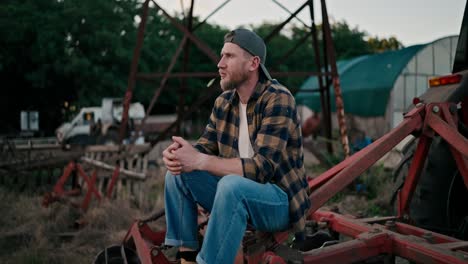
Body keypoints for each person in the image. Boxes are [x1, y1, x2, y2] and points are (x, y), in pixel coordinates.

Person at [162, 28, 310, 264]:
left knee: (232, 186)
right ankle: (186, 257)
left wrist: (200, 160)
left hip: (277, 202)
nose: (220, 64)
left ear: (253, 63)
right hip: (234, 197)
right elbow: (204, 148)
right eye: (221, 56)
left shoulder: (278, 98)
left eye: (229, 56)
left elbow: (263, 168)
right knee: (177, 174)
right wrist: (180, 155)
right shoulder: (224, 102)